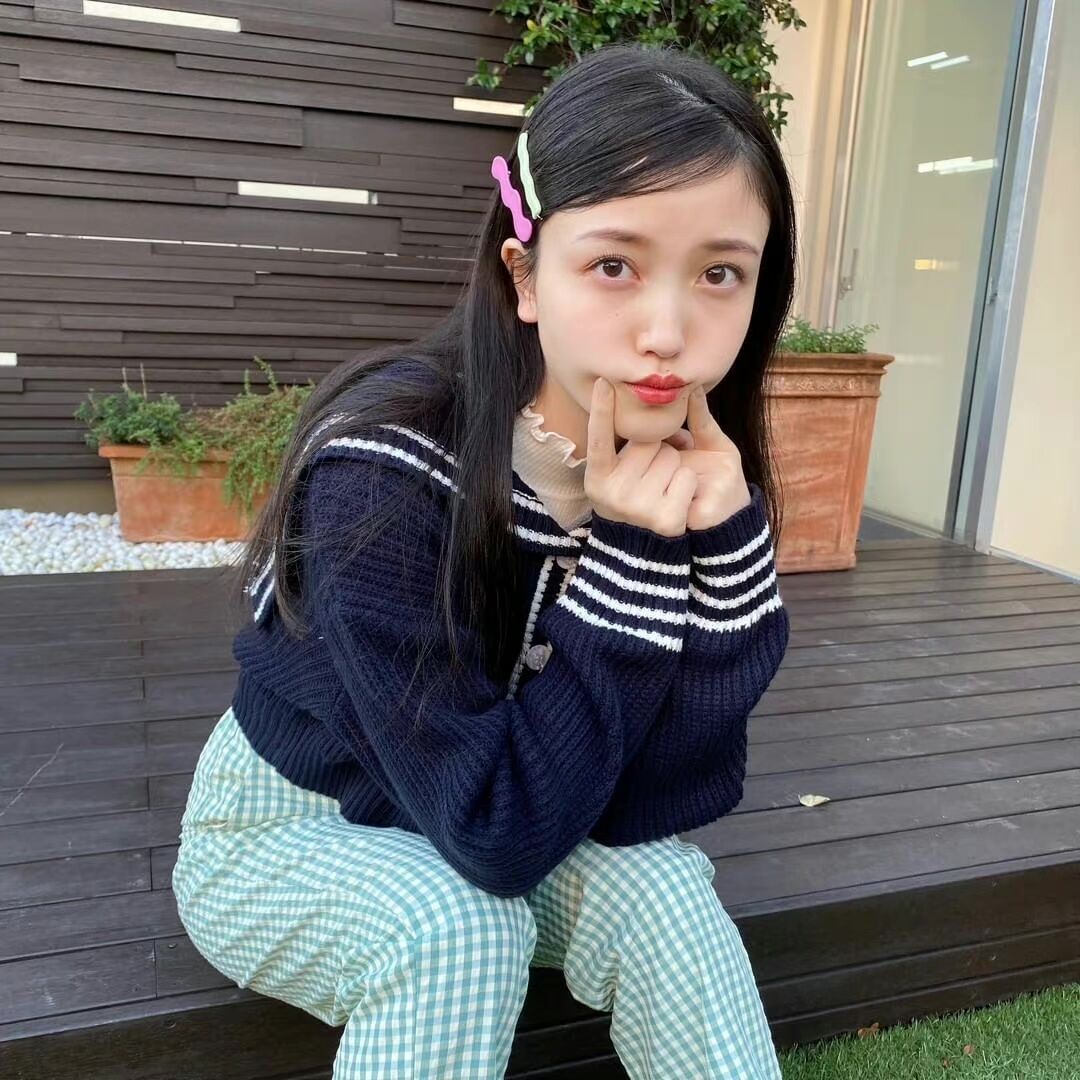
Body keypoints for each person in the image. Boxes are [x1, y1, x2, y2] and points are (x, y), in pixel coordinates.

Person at [172, 41, 794, 1079]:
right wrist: (634, 559)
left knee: (668, 895)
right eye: (614, 265)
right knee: (458, 924)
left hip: (507, 805)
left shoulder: (691, 473)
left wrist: (723, 547)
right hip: (292, 825)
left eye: (719, 272)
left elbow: (662, 799)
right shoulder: (380, 474)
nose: (669, 331)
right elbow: (494, 835)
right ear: (524, 275)